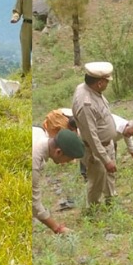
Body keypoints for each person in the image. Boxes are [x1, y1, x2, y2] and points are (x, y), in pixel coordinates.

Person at [72, 62, 116, 208]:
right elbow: (91, 136)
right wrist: (105, 159)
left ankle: (111, 201)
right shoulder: (86, 104)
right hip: (95, 151)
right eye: (106, 82)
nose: (107, 85)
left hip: (106, 145)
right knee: (96, 181)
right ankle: (93, 210)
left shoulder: (89, 90)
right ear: (99, 83)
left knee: (108, 176)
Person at [33, 129, 85, 234]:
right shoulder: (33, 162)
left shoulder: (39, 132)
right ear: (58, 152)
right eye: (69, 159)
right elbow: (33, 203)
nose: (69, 162)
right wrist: (57, 228)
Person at [11, 0, 33, 76]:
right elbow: (17, 11)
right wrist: (15, 18)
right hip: (26, 25)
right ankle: (26, 74)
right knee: (25, 52)